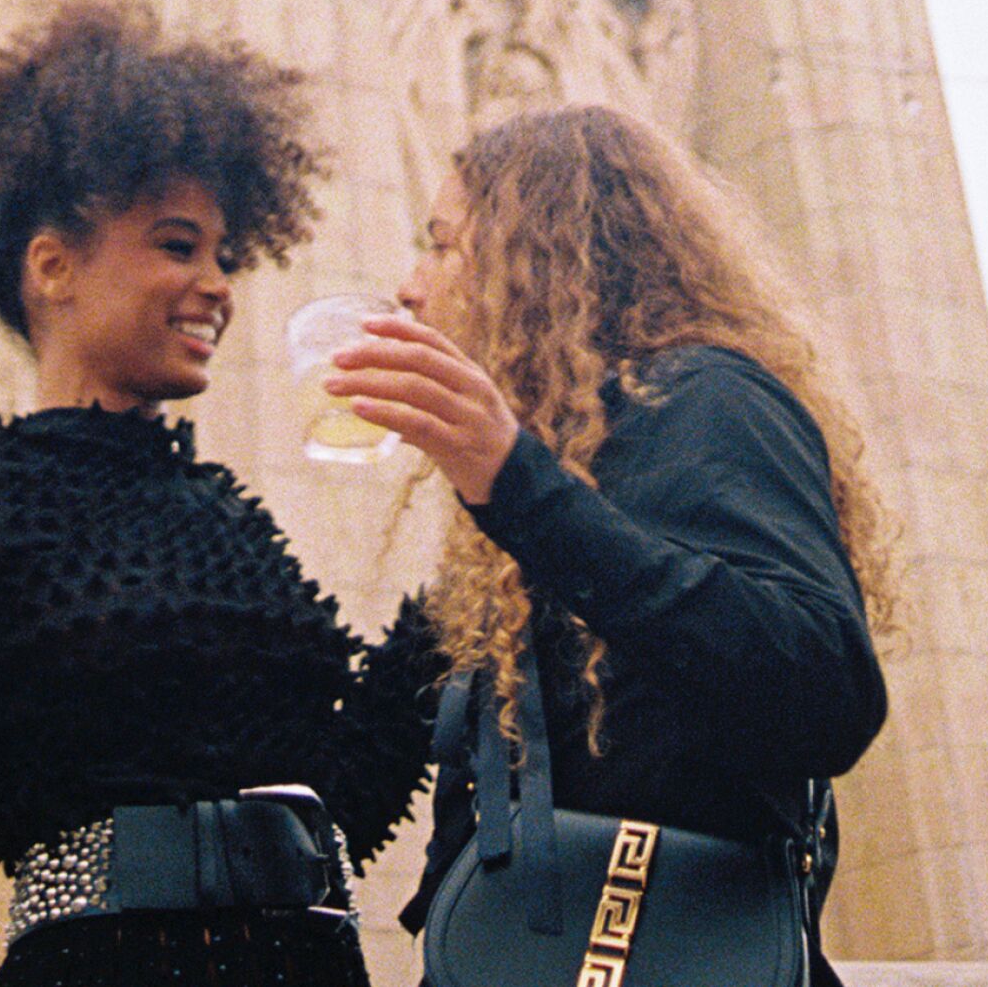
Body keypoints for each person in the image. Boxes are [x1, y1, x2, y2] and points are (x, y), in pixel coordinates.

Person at [0, 0, 435, 987]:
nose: (217, 283)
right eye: (176, 244)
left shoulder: (225, 515)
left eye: (224, 255)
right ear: (52, 266)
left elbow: (342, 803)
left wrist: (472, 567)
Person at [327, 101, 893, 985]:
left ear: (537, 264)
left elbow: (825, 688)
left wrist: (518, 484)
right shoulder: (563, 461)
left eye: (441, 245)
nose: (409, 285)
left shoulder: (706, 399)